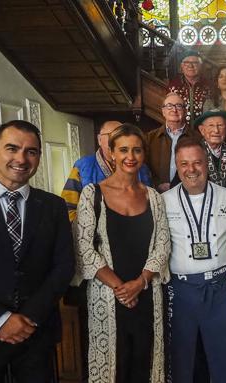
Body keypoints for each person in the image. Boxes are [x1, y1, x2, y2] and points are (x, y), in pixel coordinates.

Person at [73, 124, 170, 383]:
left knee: (144, 365)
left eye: (137, 150)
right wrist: (121, 289)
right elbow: (83, 248)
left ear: (144, 155)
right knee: (114, 369)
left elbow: (162, 243)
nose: (131, 156)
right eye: (123, 149)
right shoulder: (92, 194)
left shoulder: (153, 197)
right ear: (111, 153)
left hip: (147, 294)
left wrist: (139, 283)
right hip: (108, 296)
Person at [0, 120, 74, 382]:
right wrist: (0, 320)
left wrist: (28, 317)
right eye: (12, 148)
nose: (21, 158)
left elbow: (63, 266)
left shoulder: (54, 206)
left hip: (37, 334)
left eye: (31, 151)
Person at [163, 138, 226, 383]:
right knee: (182, 360)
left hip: (220, 289)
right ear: (177, 166)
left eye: (197, 162)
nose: (191, 169)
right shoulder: (163, 201)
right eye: (184, 164)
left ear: (206, 164)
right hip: (179, 291)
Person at [62, 120, 152, 221]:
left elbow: (150, 206)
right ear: (99, 139)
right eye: (112, 135)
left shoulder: (142, 169)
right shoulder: (83, 166)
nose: (117, 139)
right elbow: (67, 208)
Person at [145, 92, 200, 193]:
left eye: (178, 106)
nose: (174, 110)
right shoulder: (149, 138)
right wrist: (156, 184)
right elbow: (144, 167)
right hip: (157, 193)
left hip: (188, 193)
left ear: (185, 110)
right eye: (169, 106)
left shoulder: (197, 137)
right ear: (163, 111)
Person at [184, 109, 226, 193]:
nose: (216, 130)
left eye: (220, 125)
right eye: (211, 125)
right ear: (202, 130)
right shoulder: (192, 151)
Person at [168, 50, 212, 127]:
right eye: (186, 63)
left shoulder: (209, 86)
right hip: (181, 132)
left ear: (201, 66)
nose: (190, 66)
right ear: (182, 66)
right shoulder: (173, 86)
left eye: (195, 63)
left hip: (205, 132)